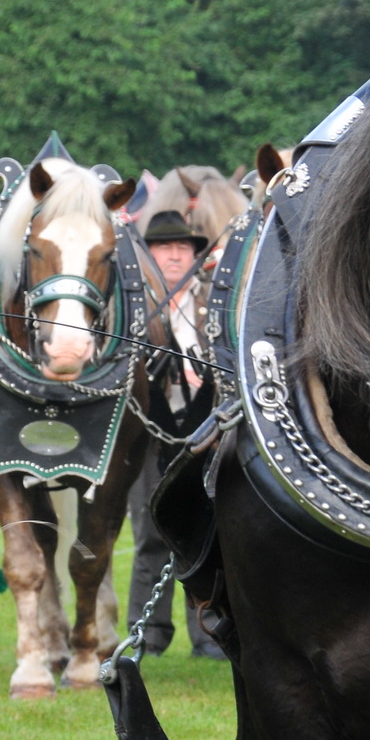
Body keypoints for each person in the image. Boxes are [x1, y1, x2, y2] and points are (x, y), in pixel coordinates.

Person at [126, 209, 223, 658]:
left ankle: (209, 633)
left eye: (182, 247)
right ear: (148, 254)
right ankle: (147, 633)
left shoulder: (214, 298)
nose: (173, 255)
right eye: (164, 247)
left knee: (207, 529)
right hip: (152, 431)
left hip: (207, 433)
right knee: (150, 533)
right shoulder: (134, 301)